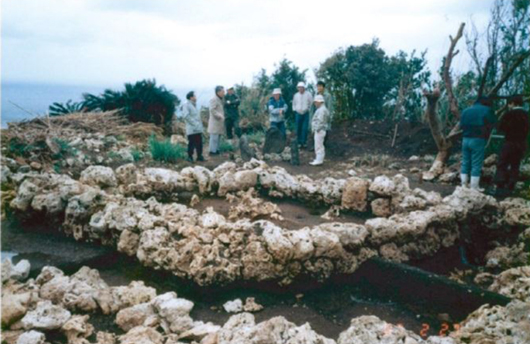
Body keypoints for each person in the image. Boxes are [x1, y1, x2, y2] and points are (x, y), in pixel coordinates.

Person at [460, 97, 497, 190]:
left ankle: (463, 185)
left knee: (465, 162)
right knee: (476, 163)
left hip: (465, 139)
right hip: (478, 139)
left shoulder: (466, 110)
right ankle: (474, 187)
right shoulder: (487, 110)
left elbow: (461, 125)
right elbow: (493, 124)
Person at [495, 95, 529, 193]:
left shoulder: (509, 114)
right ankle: (511, 185)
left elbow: (500, 127)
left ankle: (500, 186)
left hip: (509, 142)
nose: (508, 106)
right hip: (521, 143)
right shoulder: (526, 115)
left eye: (509, 104)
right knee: (515, 164)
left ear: (513, 103)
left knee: (502, 162)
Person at [178, 91, 204, 162]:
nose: (196, 97)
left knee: (199, 142)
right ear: (191, 97)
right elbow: (186, 116)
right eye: (194, 96)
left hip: (197, 128)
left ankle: (199, 156)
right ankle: (190, 157)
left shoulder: (193, 104)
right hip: (192, 128)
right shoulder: (186, 105)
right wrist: (194, 123)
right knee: (191, 143)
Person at [310, 95, 330, 166]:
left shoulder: (322, 110)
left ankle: (319, 160)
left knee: (319, 145)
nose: (315, 104)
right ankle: (318, 159)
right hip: (320, 129)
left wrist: (316, 128)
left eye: (316, 102)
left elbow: (320, 121)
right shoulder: (323, 109)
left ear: (320, 102)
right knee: (319, 145)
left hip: (320, 130)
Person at [292, 82, 313, 148]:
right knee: (298, 128)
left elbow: (311, 103)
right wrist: (295, 110)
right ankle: (299, 142)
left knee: (304, 128)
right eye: (299, 88)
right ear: (298, 88)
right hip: (298, 113)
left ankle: (304, 142)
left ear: (304, 88)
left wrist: (308, 110)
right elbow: (294, 103)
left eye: (302, 88)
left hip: (305, 113)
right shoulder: (296, 95)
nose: (300, 89)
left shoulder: (308, 94)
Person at [208, 86, 225, 155]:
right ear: (218, 92)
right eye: (222, 92)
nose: (224, 93)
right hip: (215, 122)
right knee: (214, 137)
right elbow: (212, 109)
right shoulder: (214, 99)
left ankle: (216, 150)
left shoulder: (220, 99)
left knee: (218, 137)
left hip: (219, 122)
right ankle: (212, 151)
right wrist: (219, 116)